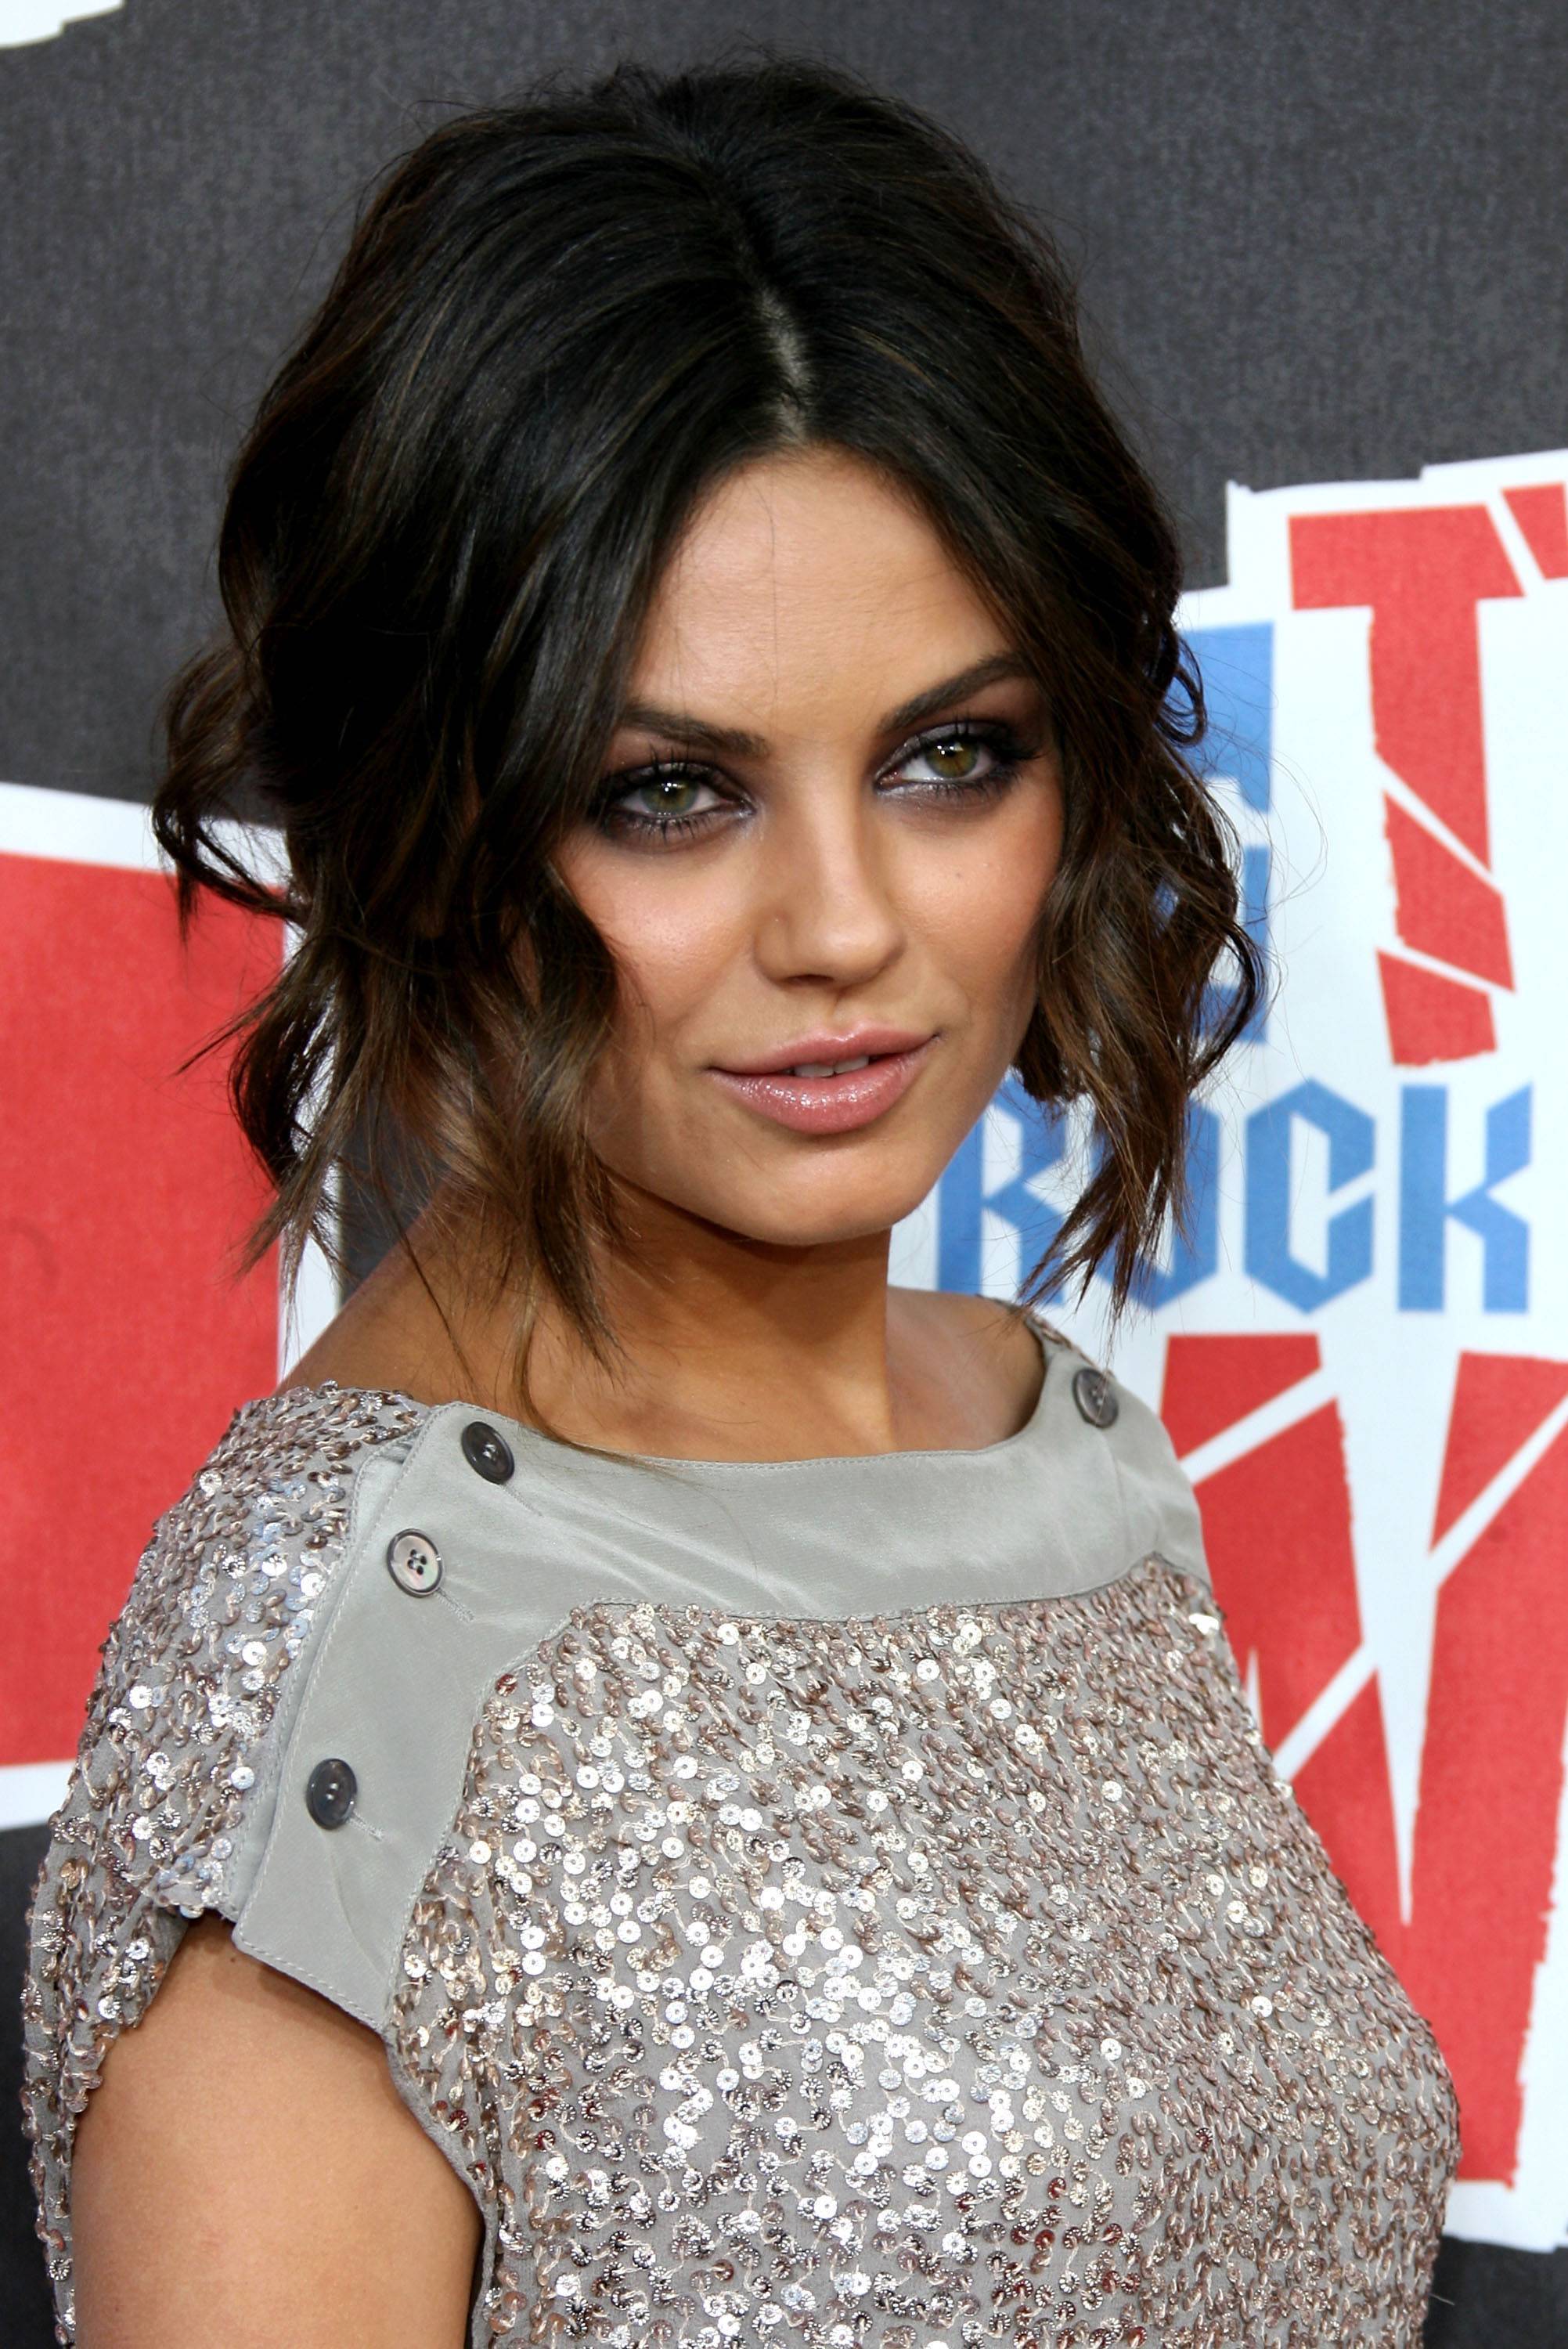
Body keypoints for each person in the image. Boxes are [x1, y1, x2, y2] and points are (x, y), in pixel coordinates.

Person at [20, 53, 1459, 2349]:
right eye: (669, 793)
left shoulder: (1061, 1449)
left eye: (950, 757)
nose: (844, 925)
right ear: (433, 823)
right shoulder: (346, 1675)